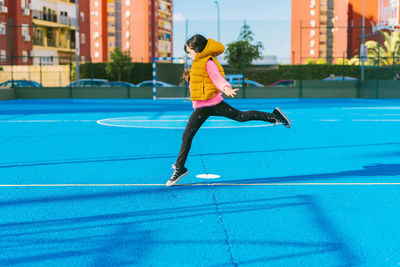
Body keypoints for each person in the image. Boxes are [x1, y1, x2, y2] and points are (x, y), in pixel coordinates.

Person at [166, 34, 291, 186]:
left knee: (241, 117)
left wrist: (226, 87)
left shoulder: (208, 62)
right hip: (202, 107)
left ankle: (274, 116)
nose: (189, 56)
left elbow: (217, 77)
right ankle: (180, 168)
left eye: (190, 52)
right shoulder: (198, 63)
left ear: (198, 50)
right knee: (187, 135)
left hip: (213, 104)